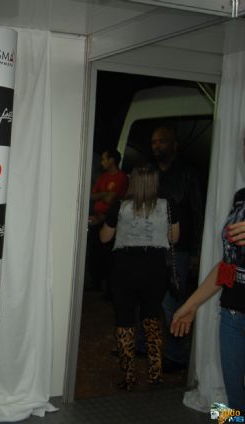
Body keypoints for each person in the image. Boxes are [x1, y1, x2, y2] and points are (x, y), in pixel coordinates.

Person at [100, 164, 180, 390]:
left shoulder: (119, 206)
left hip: (124, 268)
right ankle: (155, 375)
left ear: (132, 182)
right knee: (152, 318)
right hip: (154, 269)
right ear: (155, 182)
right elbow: (174, 238)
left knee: (125, 320)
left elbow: (105, 238)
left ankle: (128, 378)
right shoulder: (168, 206)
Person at [171, 192, 245, 411]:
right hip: (232, 316)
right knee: (235, 404)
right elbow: (228, 264)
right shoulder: (241, 197)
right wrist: (191, 304)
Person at [151, 125, 204, 373]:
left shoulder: (188, 174)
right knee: (150, 299)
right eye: (153, 142)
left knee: (173, 302)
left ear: (175, 145)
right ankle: (145, 346)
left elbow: (198, 211)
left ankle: (176, 356)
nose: (156, 146)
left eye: (162, 141)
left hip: (178, 250)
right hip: (152, 247)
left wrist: (196, 251)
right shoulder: (150, 173)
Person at [86, 148, 129, 292]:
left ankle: (109, 288)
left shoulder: (122, 177)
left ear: (112, 160)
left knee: (108, 255)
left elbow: (111, 200)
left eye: (104, 159)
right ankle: (96, 283)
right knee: (94, 251)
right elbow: (91, 195)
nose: (102, 162)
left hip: (111, 221)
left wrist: (102, 195)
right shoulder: (103, 177)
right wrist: (106, 194)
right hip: (96, 218)